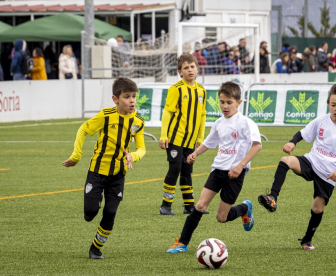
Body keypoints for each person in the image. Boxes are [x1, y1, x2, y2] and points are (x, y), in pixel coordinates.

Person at [258, 83, 336, 250]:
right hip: (312, 161)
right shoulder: (322, 120)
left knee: (317, 207)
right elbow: (302, 133)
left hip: (329, 174)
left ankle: (307, 240)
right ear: (328, 104)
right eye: (333, 104)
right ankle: (272, 197)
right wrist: (292, 142)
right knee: (285, 160)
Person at [166, 81, 262, 253]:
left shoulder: (245, 123)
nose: (225, 106)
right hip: (217, 170)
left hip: (235, 174)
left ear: (239, 103)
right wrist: (195, 153)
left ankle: (244, 208)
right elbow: (209, 143)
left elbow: (257, 145)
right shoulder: (218, 123)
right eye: (222, 102)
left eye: (229, 102)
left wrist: (240, 166)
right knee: (200, 206)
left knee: (221, 217)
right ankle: (182, 243)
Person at [62, 77, 146, 259]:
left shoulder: (138, 121)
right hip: (97, 173)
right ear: (115, 99)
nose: (132, 100)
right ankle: (93, 202)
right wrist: (76, 155)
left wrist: (133, 156)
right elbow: (83, 129)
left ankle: (95, 248)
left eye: (133, 96)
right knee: (90, 213)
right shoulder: (106, 115)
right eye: (126, 96)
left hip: (118, 175)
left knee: (110, 212)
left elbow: (141, 148)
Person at [159, 53, 208, 215]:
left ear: (197, 68)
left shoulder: (202, 91)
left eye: (192, 66)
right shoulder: (176, 89)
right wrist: (163, 135)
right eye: (185, 68)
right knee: (175, 169)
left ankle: (189, 206)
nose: (190, 70)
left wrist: (200, 138)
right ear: (180, 72)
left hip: (190, 141)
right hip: (175, 138)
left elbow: (202, 116)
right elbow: (167, 112)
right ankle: (166, 205)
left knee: (187, 171)